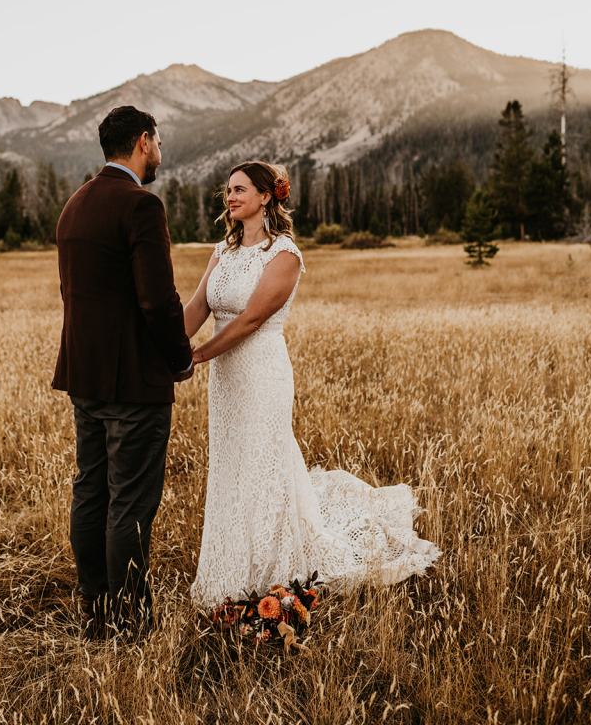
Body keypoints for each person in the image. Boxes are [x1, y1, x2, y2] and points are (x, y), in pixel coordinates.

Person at [183, 160, 440, 608]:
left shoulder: (284, 254)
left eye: (241, 189)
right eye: (228, 190)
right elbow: (198, 306)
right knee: (230, 464)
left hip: (261, 372)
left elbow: (253, 317)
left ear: (266, 197)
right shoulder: (221, 252)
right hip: (226, 382)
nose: (231, 196)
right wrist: (167, 347)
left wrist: (200, 354)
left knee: (263, 462)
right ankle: (230, 569)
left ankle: (273, 568)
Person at [52, 105, 193, 638]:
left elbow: (75, 294)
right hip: (134, 382)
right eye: (157, 142)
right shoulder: (141, 205)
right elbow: (157, 301)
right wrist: (179, 359)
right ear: (142, 141)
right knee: (130, 502)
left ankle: (93, 605)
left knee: (91, 491)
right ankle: (129, 620)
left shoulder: (75, 205)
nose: (159, 152)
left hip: (84, 378)